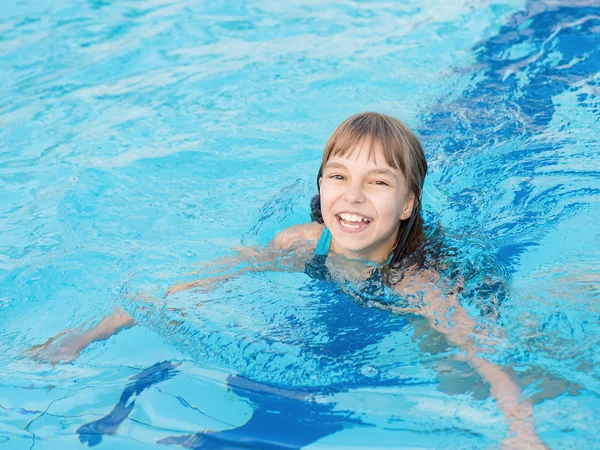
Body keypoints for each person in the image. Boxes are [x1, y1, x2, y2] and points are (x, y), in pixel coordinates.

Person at [28, 112, 546, 449]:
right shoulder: (301, 242)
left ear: (408, 203)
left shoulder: (418, 283)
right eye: (339, 177)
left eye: (379, 183)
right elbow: (197, 281)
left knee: (439, 372)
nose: (355, 196)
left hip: (402, 321)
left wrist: (521, 428)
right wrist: (90, 333)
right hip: (331, 324)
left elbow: (484, 355)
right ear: (321, 188)